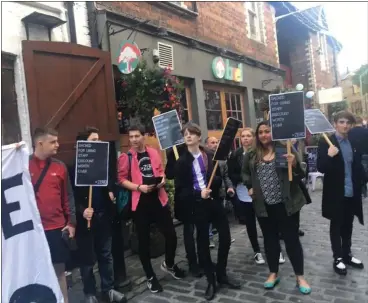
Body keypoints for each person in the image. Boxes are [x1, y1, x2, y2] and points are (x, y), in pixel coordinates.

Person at [242, 121, 311, 294]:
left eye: (267, 131)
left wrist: (294, 163)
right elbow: (244, 173)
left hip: (287, 205)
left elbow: (302, 173)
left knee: (292, 240)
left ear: (273, 133)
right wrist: (249, 185)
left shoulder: (285, 149)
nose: (264, 135)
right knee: (270, 240)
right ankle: (273, 273)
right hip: (263, 206)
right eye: (261, 132)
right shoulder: (251, 154)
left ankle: (299, 276)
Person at [174, 123, 241, 301]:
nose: (188, 136)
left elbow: (218, 177)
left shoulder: (210, 155)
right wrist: (198, 192)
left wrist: (215, 183)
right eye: (185, 134)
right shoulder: (182, 162)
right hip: (197, 206)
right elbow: (181, 190)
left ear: (198, 136)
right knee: (203, 243)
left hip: (214, 202)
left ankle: (221, 273)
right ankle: (211, 280)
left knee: (225, 238)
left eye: (191, 133)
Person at [118, 125, 185, 293]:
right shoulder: (127, 157)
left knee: (171, 235)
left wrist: (162, 180)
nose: (133, 139)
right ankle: (150, 276)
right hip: (140, 203)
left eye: (136, 136)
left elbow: (161, 171)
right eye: (131, 137)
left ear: (144, 136)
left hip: (158, 199)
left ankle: (169, 264)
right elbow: (121, 179)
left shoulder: (153, 152)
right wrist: (138, 187)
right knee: (144, 241)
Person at [69, 127, 126, 303]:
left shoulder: (103, 164)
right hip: (85, 220)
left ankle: (108, 289)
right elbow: (69, 196)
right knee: (87, 260)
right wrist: (81, 210)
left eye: (99, 140)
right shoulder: (73, 169)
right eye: (94, 141)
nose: (98, 144)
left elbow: (110, 183)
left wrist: (110, 191)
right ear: (84, 145)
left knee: (106, 255)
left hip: (103, 217)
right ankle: (90, 293)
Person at [29, 127, 76, 303]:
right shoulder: (24, 166)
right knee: (36, 272)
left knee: (60, 272)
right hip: (34, 230)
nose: (58, 144)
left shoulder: (60, 166)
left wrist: (71, 223)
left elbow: (68, 196)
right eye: (53, 142)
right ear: (40, 143)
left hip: (57, 228)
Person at [317, 111, 365, 275]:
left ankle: (347, 254)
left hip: (351, 192)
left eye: (348, 123)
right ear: (335, 123)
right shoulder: (326, 142)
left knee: (348, 225)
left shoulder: (352, 141)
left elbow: (356, 166)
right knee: (336, 226)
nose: (345, 125)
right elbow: (321, 167)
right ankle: (337, 257)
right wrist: (329, 156)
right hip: (336, 193)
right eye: (342, 122)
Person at [228, 128, 268, 265]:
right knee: (250, 224)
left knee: (266, 223)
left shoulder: (261, 151)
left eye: (248, 136)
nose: (245, 138)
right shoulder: (235, 154)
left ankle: (274, 249)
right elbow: (231, 173)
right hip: (244, 193)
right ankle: (257, 251)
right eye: (243, 136)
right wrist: (245, 178)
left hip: (262, 193)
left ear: (253, 137)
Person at [165, 144, 203, 278]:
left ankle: (203, 259)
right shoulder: (173, 152)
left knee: (201, 230)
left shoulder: (198, 149)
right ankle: (193, 263)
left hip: (199, 195)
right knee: (189, 231)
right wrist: (178, 167)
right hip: (184, 197)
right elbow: (169, 175)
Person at [205, 137, 236, 249]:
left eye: (216, 142)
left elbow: (225, 176)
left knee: (221, 216)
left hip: (219, 192)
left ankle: (224, 236)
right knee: (208, 218)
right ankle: (209, 238)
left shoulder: (222, 159)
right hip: (207, 192)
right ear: (206, 145)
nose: (215, 144)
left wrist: (230, 187)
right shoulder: (203, 158)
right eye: (212, 142)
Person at [348, 115, 368, 198]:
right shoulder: (366, 131)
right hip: (366, 154)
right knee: (365, 172)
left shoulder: (350, 132)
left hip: (355, 155)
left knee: (359, 172)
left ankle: (362, 189)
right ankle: (364, 189)